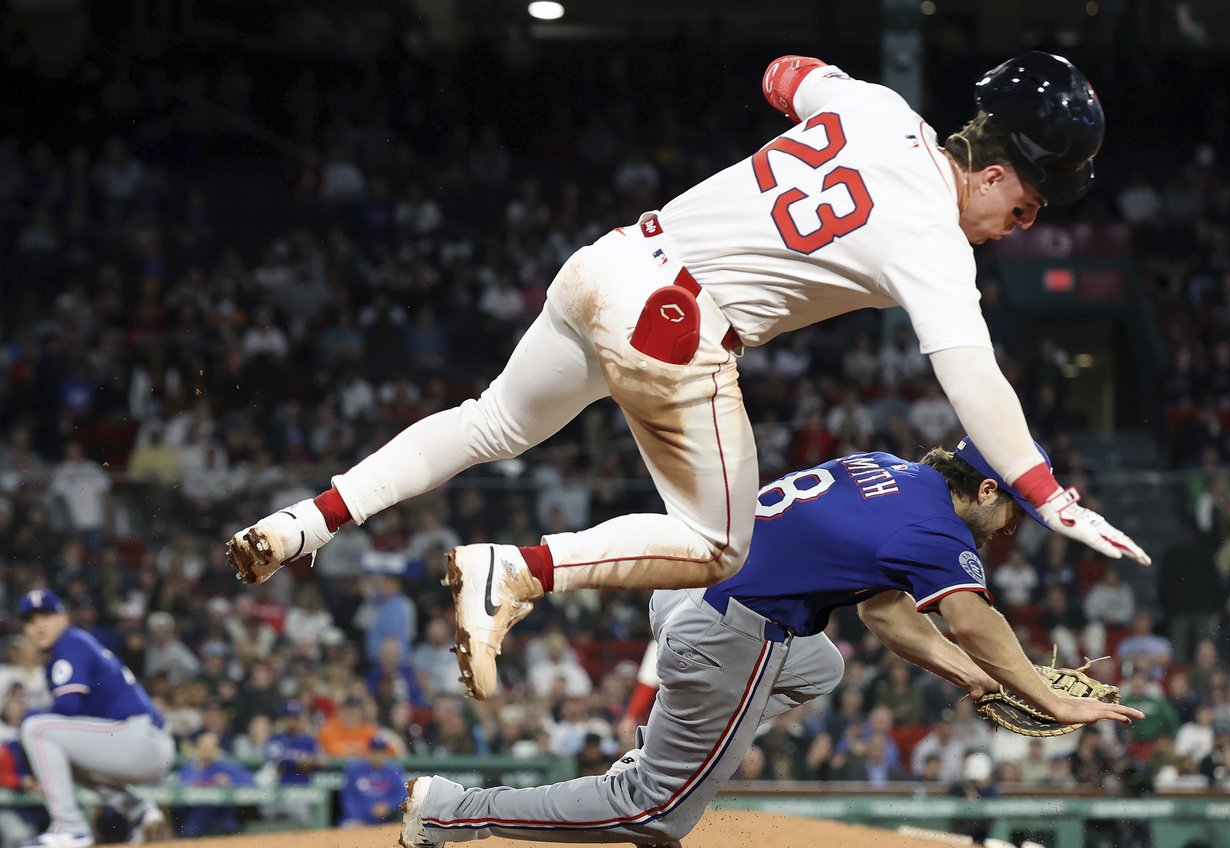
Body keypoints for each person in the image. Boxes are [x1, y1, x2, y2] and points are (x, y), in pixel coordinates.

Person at [227, 52, 1150, 702]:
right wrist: (1043, 493)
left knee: (489, 422)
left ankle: (305, 521)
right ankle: (516, 570)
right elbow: (973, 380)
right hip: (675, 323)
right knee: (718, 545)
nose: (1023, 223)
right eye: (1026, 205)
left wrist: (809, 122)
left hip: (612, 260)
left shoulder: (877, 108)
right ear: (993, 173)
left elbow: (785, 73)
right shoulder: (934, 239)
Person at [399, 438, 1142, 848]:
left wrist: (972, 677)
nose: (1013, 526)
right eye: (1015, 507)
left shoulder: (888, 469)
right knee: (656, 813)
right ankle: (453, 810)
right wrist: (1049, 698)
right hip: (728, 628)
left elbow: (883, 611)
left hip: (686, 586)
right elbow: (974, 621)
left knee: (823, 663)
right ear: (984, 489)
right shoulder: (936, 531)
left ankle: (664, 758)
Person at [15, 589, 175, 848]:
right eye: (31, 620)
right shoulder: (72, 645)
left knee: (36, 729)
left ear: (63, 618)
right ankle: (141, 812)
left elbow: (68, 705)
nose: (39, 625)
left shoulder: (69, 643)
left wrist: (27, 718)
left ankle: (69, 828)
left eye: (46, 615)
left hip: (139, 738)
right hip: (143, 742)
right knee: (65, 753)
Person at [176, 730, 255, 838]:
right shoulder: (188, 769)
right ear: (197, 747)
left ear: (217, 749)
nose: (208, 750)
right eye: (205, 746)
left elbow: (250, 780)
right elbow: (178, 801)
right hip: (194, 824)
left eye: (211, 747)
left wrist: (229, 782)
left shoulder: (224, 767)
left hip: (221, 823)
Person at [339, 735, 408, 827]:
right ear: (368, 753)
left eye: (381, 753)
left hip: (385, 821)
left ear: (386, 754)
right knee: (346, 826)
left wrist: (388, 805)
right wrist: (355, 818)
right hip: (357, 821)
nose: (378, 756)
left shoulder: (394, 770)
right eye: (374, 753)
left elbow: (402, 794)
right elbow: (349, 798)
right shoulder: (354, 770)